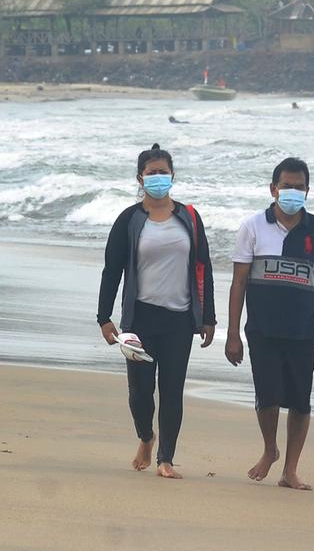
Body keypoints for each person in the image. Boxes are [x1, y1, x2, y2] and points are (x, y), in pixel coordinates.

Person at [98, 144, 216, 480]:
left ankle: (166, 458)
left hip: (179, 319)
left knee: (172, 388)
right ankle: (145, 437)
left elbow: (203, 268)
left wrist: (208, 316)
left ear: (173, 176)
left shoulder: (189, 218)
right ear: (140, 178)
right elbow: (112, 270)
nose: (158, 178)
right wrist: (104, 318)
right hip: (140, 319)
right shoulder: (130, 220)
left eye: (163, 172)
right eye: (152, 173)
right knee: (139, 392)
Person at [225, 157, 314, 491]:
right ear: (273, 189)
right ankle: (270, 449)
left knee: (301, 401)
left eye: (300, 187)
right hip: (262, 328)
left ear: (308, 191)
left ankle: (290, 469)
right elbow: (239, 283)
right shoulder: (253, 227)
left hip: (304, 330)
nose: (293, 192)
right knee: (267, 396)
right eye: (287, 186)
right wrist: (232, 333)